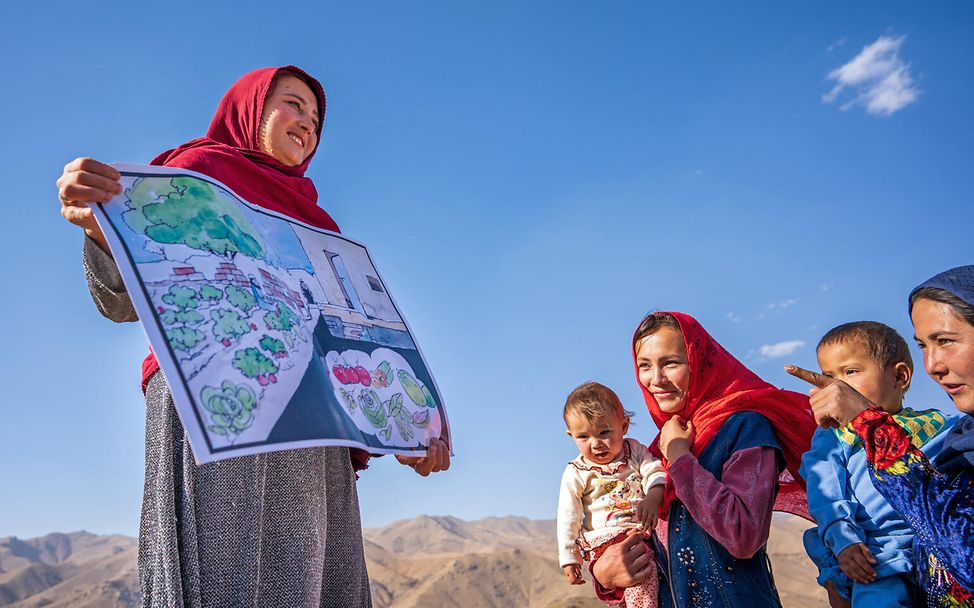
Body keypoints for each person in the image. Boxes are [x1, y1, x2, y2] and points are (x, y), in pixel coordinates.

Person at [56, 66, 450, 608]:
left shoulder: (318, 225)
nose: (307, 124)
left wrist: (406, 428)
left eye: (315, 119)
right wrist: (103, 228)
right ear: (250, 110)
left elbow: (339, 344)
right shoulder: (194, 175)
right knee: (222, 575)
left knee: (312, 581)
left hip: (312, 430)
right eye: (292, 104)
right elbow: (124, 299)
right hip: (218, 411)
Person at [590, 311, 817, 608]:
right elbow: (648, 549)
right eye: (644, 366)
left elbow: (744, 535)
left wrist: (682, 460)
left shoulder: (745, 428)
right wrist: (606, 578)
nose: (655, 380)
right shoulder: (658, 449)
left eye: (670, 363)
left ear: (700, 363)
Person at [788, 265, 974, 606]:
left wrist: (868, 420)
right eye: (923, 345)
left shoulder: (944, 427)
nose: (836, 387)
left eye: (850, 373)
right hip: (875, 559)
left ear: (900, 376)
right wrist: (840, 543)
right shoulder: (835, 437)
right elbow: (826, 495)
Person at [557, 382, 667, 608]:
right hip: (604, 539)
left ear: (624, 425)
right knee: (643, 575)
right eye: (583, 437)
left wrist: (652, 498)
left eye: (604, 432)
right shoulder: (576, 472)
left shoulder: (634, 451)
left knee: (649, 574)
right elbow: (568, 517)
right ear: (571, 436)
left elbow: (655, 472)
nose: (595, 444)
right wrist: (569, 558)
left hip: (639, 532)